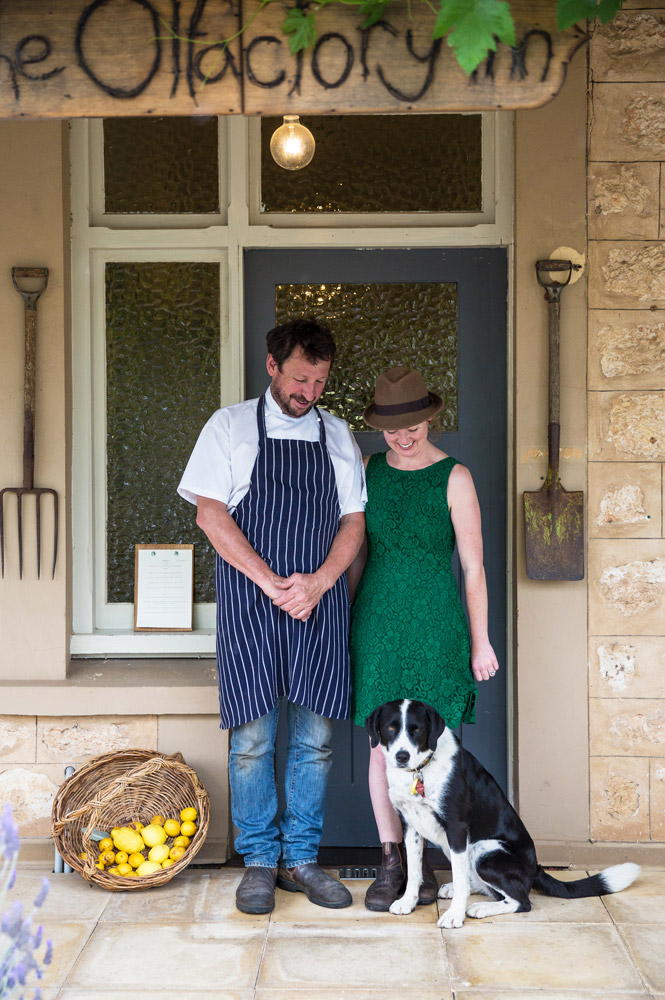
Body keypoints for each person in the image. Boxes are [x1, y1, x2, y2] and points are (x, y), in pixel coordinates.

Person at [178, 318, 366, 915]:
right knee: (254, 739)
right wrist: (273, 584)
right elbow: (212, 517)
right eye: (300, 377)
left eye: (319, 380)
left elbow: (353, 523)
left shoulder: (337, 435)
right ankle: (259, 860)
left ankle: (301, 859)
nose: (308, 390)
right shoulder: (229, 426)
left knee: (315, 739)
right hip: (251, 605)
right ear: (272, 366)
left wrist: (319, 583)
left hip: (320, 604)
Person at [347, 366, 500, 912]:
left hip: (436, 624)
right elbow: (358, 552)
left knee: (437, 756)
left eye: (412, 423)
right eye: (391, 426)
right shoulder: (369, 470)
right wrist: (344, 620)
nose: (403, 435)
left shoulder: (455, 478)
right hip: (378, 621)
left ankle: (434, 865)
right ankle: (394, 865)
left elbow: (475, 568)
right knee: (381, 752)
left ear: (430, 417)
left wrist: (480, 642)